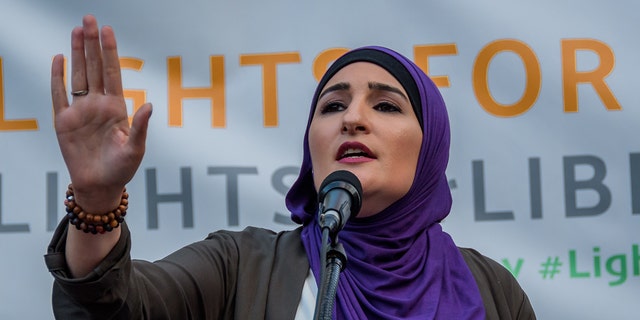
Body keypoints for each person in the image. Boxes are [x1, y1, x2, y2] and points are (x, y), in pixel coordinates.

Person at [45, 15, 536, 319]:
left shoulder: (493, 291)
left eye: (386, 106)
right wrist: (96, 200)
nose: (353, 119)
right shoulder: (242, 268)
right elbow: (112, 307)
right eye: (331, 106)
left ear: (430, 151)